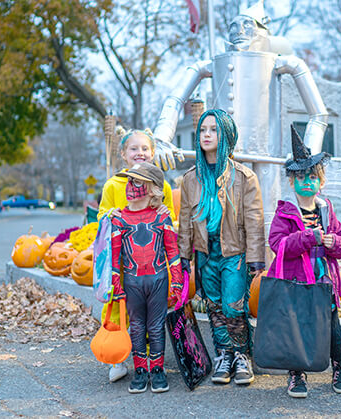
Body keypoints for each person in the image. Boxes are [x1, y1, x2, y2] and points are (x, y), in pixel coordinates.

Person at [179, 109, 265, 386]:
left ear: (226, 135)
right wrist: (182, 255)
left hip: (234, 252)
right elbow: (184, 221)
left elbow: (254, 220)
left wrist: (256, 258)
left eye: (213, 130)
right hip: (205, 253)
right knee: (214, 306)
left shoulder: (244, 177)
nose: (206, 134)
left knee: (233, 304)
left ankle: (241, 354)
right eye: (203, 130)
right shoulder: (191, 179)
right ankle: (224, 354)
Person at [266, 126, 341, 399]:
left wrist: (334, 243)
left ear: (321, 181)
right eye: (301, 177)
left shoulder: (327, 211)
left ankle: (340, 367)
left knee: (332, 327)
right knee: (298, 327)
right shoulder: (285, 213)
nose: (307, 181)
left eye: (312, 176)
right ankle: (296, 373)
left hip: (324, 281)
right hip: (297, 283)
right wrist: (306, 238)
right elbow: (277, 245)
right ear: (292, 182)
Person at [97, 127, 176, 384]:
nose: (139, 153)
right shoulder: (113, 185)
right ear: (123, 154)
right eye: (134, 148)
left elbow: (170, 222)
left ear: (152, 154)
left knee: (153, 322)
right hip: (124, 268)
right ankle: (119, 358)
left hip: (155, 268)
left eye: (145, 149)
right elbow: (101, 219)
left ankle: (156, 366)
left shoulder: (161, 184)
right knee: (123, 316)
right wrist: (112, 217)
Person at [110, 162, 184, 393]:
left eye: (137, 181)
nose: (130, 186)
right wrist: (115, 283)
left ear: (152, 189)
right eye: (129, 181)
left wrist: (177, 282)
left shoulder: (162, 218)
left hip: (158, 280)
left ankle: (158, 370)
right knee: (137, 327)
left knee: (155, 326)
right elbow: (114, 257)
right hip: (132, 282)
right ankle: (140, 370)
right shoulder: (119, 219)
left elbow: (172, 252)